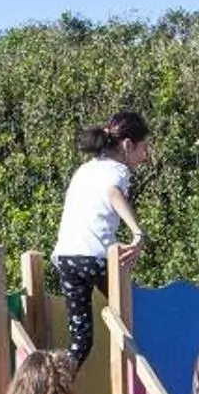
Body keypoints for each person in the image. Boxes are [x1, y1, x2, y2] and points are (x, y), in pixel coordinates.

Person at [50, 109, 153, 365]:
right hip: (94, 257)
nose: (146, 155)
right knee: (132, 317)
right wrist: (137, 233)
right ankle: (139, 370)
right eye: (144, 148)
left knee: (81, 341)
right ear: (127, 145)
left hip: (66, 258)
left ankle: (55, 381)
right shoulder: (117, 170)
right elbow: (113, 193)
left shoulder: (85, 169)